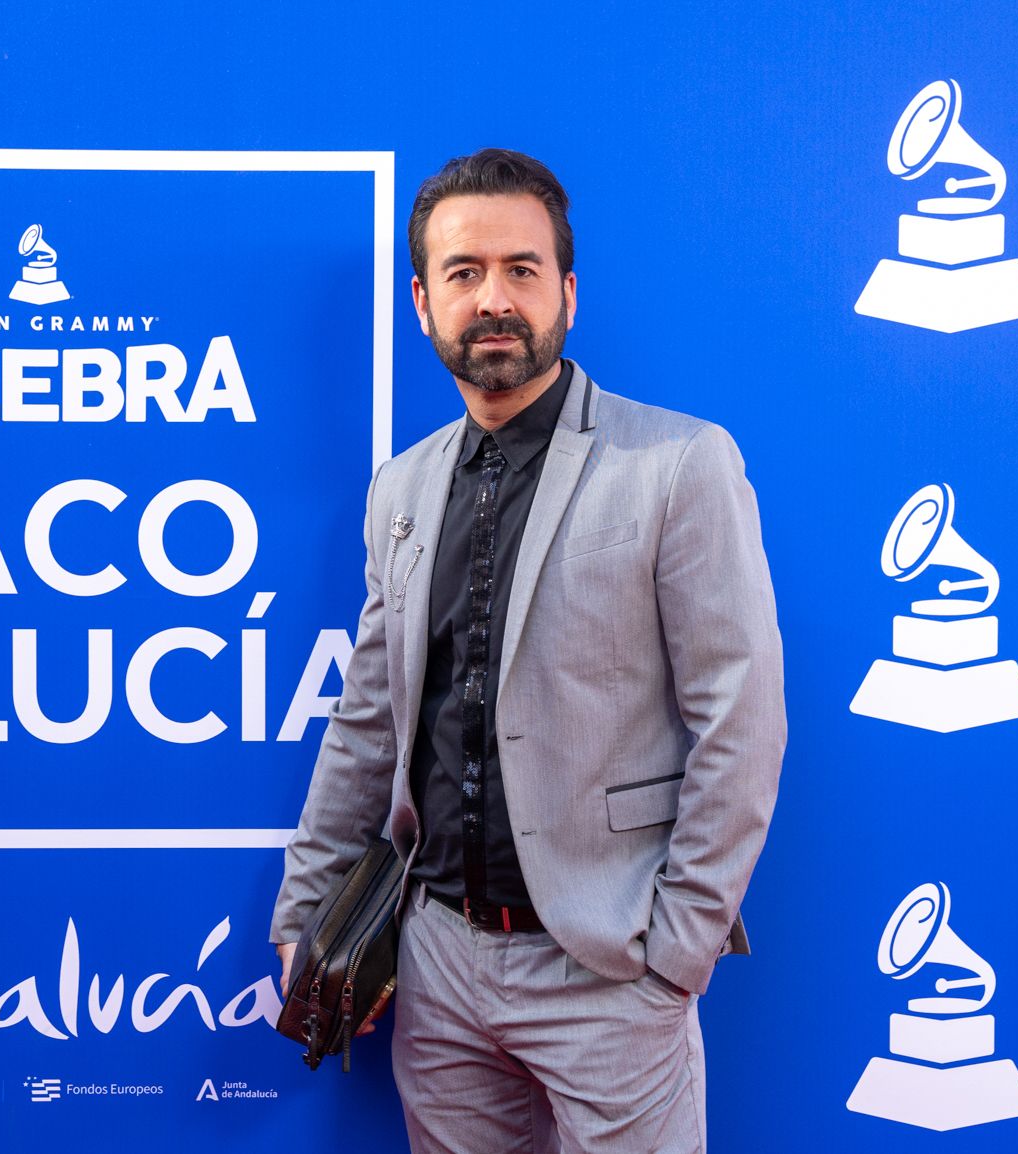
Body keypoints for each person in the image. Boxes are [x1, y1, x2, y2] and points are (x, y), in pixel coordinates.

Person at [271, 147, 785, 1153]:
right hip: (439, 963)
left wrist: (674, 951)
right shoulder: (401, 490)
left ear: (567, 293)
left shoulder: (679, 464)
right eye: (464, 274)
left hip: (609, 964)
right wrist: (306, 910)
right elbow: (370, 720)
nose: (494, 298)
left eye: (522, 269)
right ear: (423, 303)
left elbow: (743, 715)